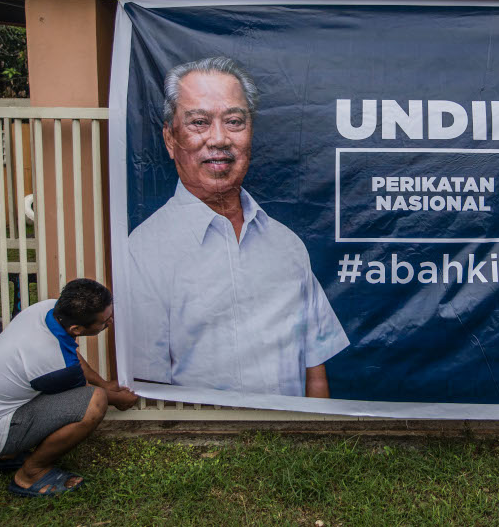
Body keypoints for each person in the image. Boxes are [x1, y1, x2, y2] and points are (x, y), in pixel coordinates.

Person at [126, 56, 349, 397]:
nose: (219, 139)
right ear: (171, 140)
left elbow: (314, 367)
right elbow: (147, 387)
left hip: (289, 443)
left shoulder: (286, 245)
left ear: (250, 134)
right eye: (199, 122)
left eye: (234, 121)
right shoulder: (143, 251)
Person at [0, 278, 138, 497]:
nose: (110, 322)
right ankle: (30, 474)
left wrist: (103, 382)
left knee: (98, 391)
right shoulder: (53, 362)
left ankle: (12, 454)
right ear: (77, 328)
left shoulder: (47, 309)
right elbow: (77, 386)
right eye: (104, 321)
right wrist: (117, 397)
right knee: (96, 401)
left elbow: (68, 354)